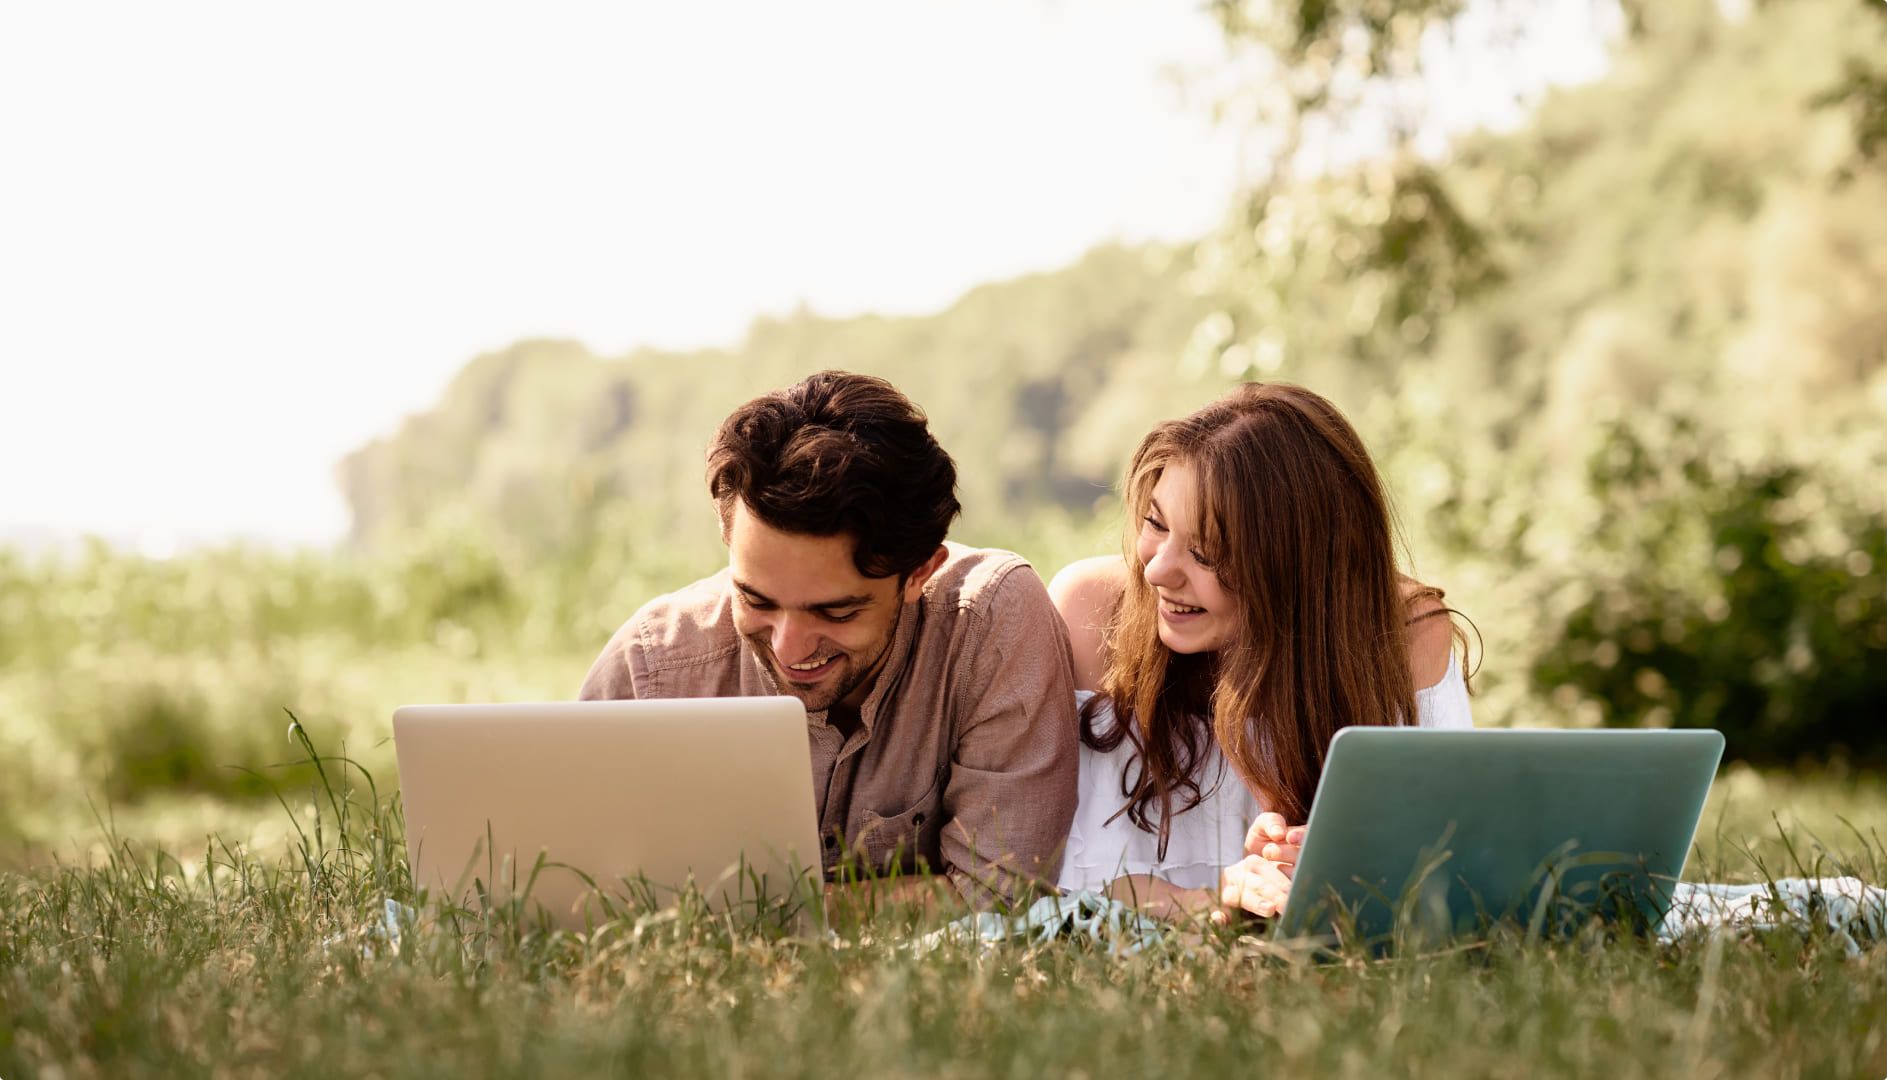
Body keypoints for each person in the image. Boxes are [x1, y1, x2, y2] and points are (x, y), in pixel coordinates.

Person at [579, 370, 1079, 910]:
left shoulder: (992, 624)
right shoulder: (652, 668)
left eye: (835, 611)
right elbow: (567, 895)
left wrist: (751, 917)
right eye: (757, 599)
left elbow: (1000, 897)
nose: (790, 649)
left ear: (920, 572)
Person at [1048, 382, 1473, 922]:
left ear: (1299, 569)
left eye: (1205, 553)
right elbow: (1042, 881)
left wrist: (1350, 871)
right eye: (1157, 524)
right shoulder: (1090, 611)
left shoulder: (1401, 633)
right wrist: (1209, 904)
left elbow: (1446, 876)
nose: (1156, 570)